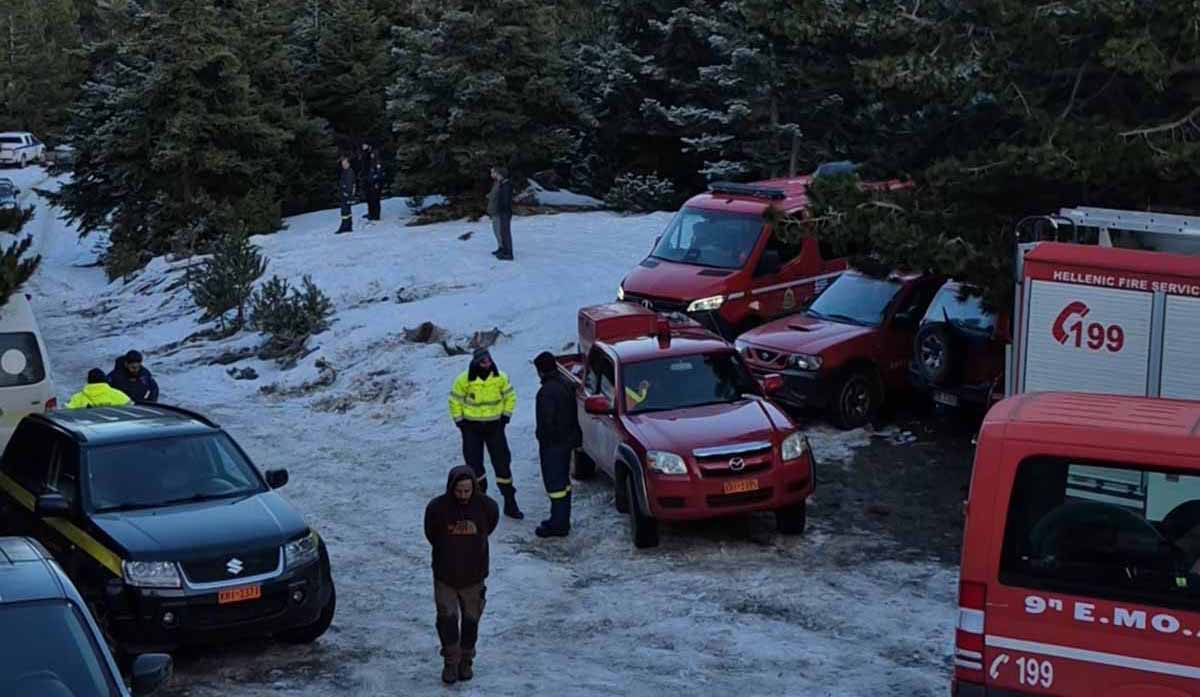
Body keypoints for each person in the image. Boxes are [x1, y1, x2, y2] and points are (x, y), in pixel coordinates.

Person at [424, 466, 499, 684]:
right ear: (451, 488)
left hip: (474, 577)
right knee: (446, 620)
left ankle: (466, 660)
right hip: (445, 576)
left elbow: (490, 526)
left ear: (474, 488)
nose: (463, 496)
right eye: (459, 491)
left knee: (470, 621)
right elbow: (431, 533)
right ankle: (450, 661)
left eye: (467, 491)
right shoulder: (437, 509)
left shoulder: (486, 507)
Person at [448, 349, 523, 519]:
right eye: (483, 362)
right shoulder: (463, 380)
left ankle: (510, 502)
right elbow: (454, 400)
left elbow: (510, 397)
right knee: (474, 466)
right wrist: (460, 422)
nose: (487, 365)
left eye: (489, 361)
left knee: (502, 464)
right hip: (472, 429)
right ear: (476, 363)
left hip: (495, 428)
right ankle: (479, 504)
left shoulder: (500, 377)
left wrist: (506, 416)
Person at [532, 351, 581, 538]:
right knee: (564, 484)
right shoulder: (565, 384)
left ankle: (558, 524)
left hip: (553, 445)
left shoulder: (545, 393)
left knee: (555, 486)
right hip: (567, 441)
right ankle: (561, 519)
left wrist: (544, 440)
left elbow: (546, 422)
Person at [67, 369, 132, 409]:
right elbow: (131, 408)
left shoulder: (77, 398)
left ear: (88, 381)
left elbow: (65, 412)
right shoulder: (118, 395)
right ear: (104, 379)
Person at [487, 166, 514, 260]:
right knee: (501, 232)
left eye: (493, 172)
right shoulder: (500, 183)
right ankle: (503, 250)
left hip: (503, 213)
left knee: (505, 233)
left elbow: (505, 201)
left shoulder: (506, 184)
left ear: (499, 174)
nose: (491, 174)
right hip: (500, 212)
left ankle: (508, 253)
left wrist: (500, 210)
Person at [335, 156, 355, 234]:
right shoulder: (345, 171)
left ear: (348, 163)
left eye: (345, 163)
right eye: (343, 163)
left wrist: (347, 193)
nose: (344, 165)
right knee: (347, 211)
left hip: (346, 195)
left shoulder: (349, 172)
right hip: (345, 194)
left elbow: (350, 184)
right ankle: (348, 226)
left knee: (345, 211)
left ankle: (344, 226)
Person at [365, 153, 384, 222]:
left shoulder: (378, 162)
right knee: (371, 199)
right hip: (371, 183)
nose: (371, 155)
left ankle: (376, 215)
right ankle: (372, 213)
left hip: (376, 184)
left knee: (376, 199)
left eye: (373, 154)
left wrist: (377, 182)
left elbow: (379, 174)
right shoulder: (371, 162)